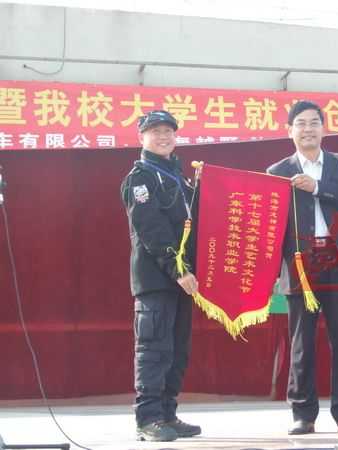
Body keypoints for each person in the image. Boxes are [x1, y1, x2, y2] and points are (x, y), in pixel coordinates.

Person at [267, 100, 338, 435]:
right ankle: (303, 414)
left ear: (324, 128)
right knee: (301, 342)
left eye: (314, 122)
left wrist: (318, 187)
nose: (308, 129)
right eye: (301, 123)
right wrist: (271, 274)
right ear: (289, 131)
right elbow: (271, 226)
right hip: (300, 264)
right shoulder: (277, 172)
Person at [120, 110, 202, 442]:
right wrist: (178, 268)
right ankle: (148, 419)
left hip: (182, 281)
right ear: (141, 137)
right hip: (157, 280)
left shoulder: (178, 176)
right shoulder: (140, 178)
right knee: (153, 350)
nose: (163, 136)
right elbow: (151, 228)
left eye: (168, 131)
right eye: (155, 131)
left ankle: (167, 413)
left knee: (177, 350)